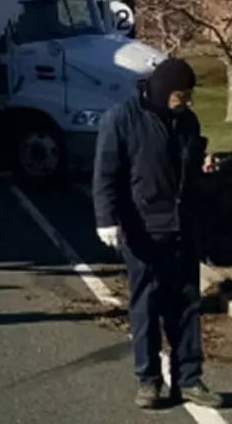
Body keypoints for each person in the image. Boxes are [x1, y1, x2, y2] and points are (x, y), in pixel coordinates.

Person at [93, 57, 222, 411]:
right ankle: (148, 380)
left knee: (185, 306)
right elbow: (105, 174)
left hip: (181, 226)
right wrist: (107, 219)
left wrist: (205, 168)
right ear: (164, 90)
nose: (187, 102)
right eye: (182, 96)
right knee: (146, 306)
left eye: (189, 96)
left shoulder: (187, 123)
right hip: (142, 229)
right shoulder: (122, 120)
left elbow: (189, 169)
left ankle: (190, 379)